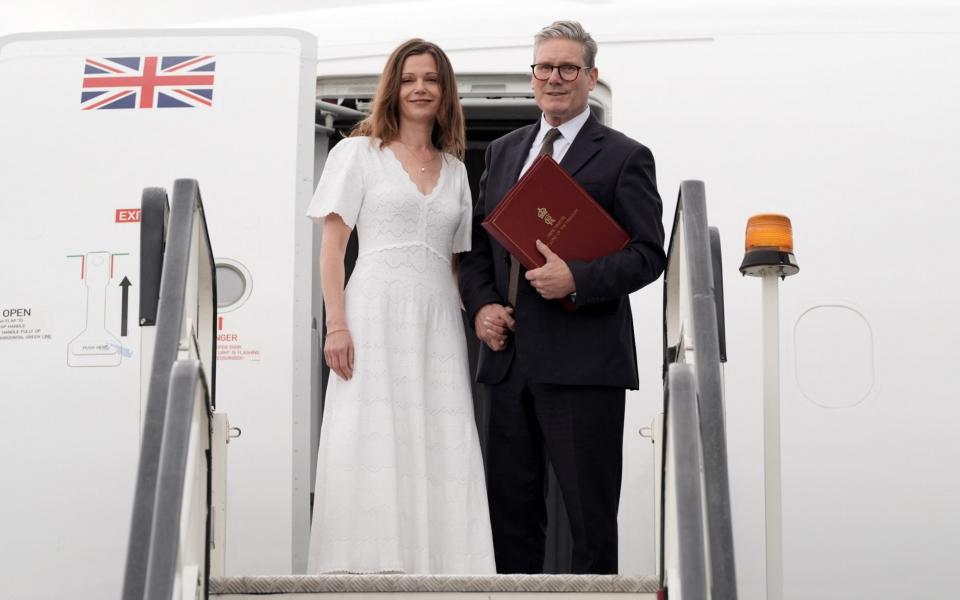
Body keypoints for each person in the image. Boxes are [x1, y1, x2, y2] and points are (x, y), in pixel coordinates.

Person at [458, 21, 666, 574]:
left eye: (568, 68)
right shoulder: (503, 152)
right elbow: (478, 246)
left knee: (590, 519)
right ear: (532, 78)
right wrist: (481, 307)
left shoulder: (625, 156)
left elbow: (649, 254)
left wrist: (576, 278)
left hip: (583, 364)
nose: (554, 78)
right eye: (544, 68)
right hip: (508, 362)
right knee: (511, 515)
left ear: (591, 77)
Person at [306, 39, 495, 574]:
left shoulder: (457, 172)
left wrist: (481, 313)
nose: (420, 88)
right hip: (372, 313)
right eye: (410, 78)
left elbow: (460, 264)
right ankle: (366, 568)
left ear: (444, 91)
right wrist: (336, 326)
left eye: (431, 79)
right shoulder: (356, 154)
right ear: (394, 87)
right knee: (371, 435)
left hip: (437, 320)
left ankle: (443, 569)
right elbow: (333, 248)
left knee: (442, 436)